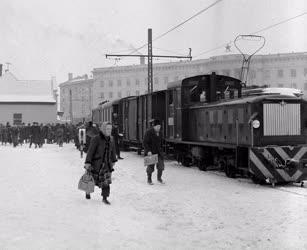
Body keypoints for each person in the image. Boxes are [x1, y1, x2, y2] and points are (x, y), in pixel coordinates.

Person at [84, 122, 117, 204]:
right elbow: (90, 151)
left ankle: (105, 197)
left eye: (110, 129)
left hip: (106, 165)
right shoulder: (96, 139)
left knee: (106, 182)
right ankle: (88, 192)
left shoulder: (111, 139)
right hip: (96, 164)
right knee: (91, 180)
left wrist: (113, 160)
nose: (109, 131)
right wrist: (88, 162)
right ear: (103, 129)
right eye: (107, 129)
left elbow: (113, 151)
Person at [143, 119, 165, 185]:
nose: (159, 128)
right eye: (157, 126)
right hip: (151, 152)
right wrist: (148, 151)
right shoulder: (148, 132)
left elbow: (161, 143)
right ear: (154, 126)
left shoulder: (160, 133)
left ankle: (159, 178)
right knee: (150, 167)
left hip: (159, 152)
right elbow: (145, 143)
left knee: (161, 166)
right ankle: (149, 179)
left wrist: (162, 150)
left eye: (160, 126)